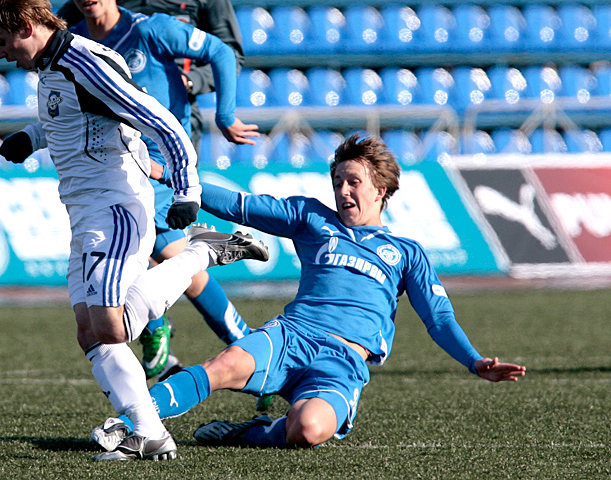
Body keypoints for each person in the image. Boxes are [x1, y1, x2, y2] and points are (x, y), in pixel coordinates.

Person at [0, 0, 270, 461]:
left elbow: (161, 120)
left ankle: (202, 250)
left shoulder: (83, 61)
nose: (1, 53)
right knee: (88, 332)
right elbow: (75, 118)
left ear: (26, 27)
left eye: (2, 40)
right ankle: (150, 432)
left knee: (112, 328)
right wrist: (32, 137)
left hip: (114, 207)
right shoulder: (53, 64)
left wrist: (187, 189)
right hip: (83, 213)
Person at [91, 134, 527, 452]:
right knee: (222, 366)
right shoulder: (312, 219)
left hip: (342, 362)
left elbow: (438, 318)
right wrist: (168, 175)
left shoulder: (406, 252)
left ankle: (252, 431)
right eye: (337, 182)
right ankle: (129, 423)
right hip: (292, 335)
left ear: (380, 189)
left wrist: (474, 361)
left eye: (353, 182)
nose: (343, 191)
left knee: (308, 430)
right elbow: (239, 204)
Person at [57, 0, 249, 379]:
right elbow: (57, 43)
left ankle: (203, 336)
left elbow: (226, 51)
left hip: (168, 139)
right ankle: (242, 346)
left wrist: (212, 100)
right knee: (159, 247)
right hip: (114, 151)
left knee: (160, 244)